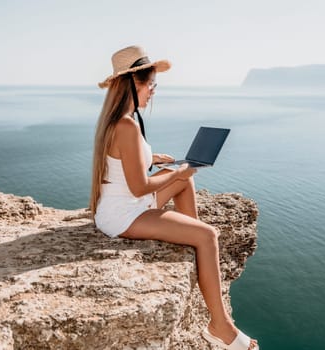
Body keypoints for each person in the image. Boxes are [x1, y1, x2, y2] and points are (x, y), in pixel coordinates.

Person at [90, 45, 258, 350]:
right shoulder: (126, 125)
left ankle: (189, 239)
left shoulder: (121, 120)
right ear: (133, 83)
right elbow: (140, 188)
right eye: (151, 84)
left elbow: (121, 160)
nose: (154, 91)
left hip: (122, 204)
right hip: (124, 214)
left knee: (184, 188)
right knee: (208, 235)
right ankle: (219, 326)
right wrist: (178, 173)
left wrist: (153, 158)